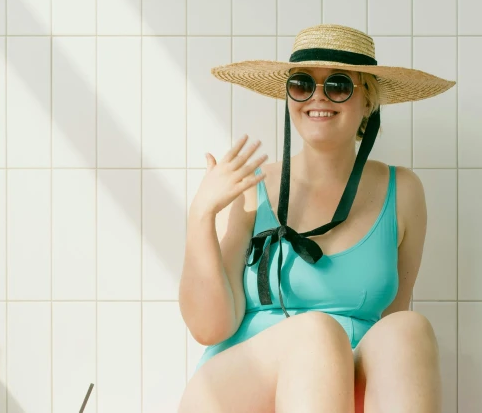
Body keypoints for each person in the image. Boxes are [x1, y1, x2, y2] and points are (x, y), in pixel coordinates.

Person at [177, 24, 455, 412]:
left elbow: (389, 320)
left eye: (338, 85)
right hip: (239, 386)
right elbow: (209, 328)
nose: (317, 98)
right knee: (316, 333)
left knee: (408, 329)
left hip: (344, 383)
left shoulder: (403, 192)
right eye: (302, 84)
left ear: (368, 101)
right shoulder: (251, 187)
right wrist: (201, 215)